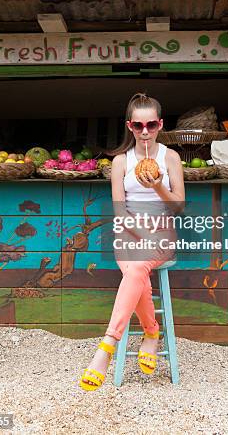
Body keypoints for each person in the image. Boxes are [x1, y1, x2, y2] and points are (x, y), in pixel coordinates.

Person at [79, 92, 185, 391]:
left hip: (162, 233)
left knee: (136, 267)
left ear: (160, 124)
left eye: (151, 124)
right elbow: (119, 210)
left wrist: (159, 188)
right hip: (128, 232)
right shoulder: (120, 162)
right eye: (139, 126)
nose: (145, 132)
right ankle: (151, 332)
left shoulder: (170, 158)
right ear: (130, 127)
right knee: (137, 267)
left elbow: (178, 206)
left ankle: (106, 347)